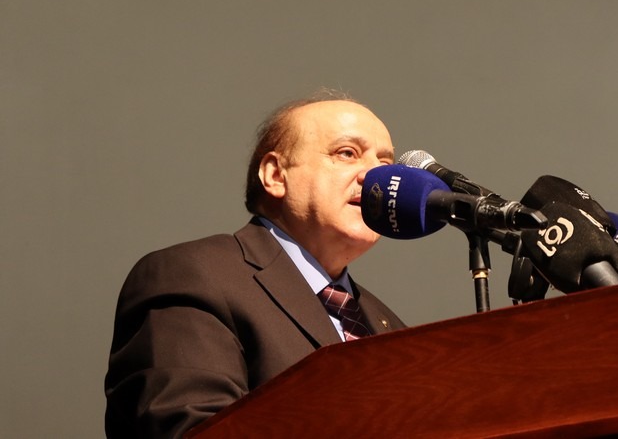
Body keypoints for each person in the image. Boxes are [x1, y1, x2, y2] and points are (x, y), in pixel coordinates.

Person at [104, 91, 406, 438]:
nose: (378, 178)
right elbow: (194, 429)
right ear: (275, 175)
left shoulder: (389, 326)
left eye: (386, 165)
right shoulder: (194, 276)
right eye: (346, 153)